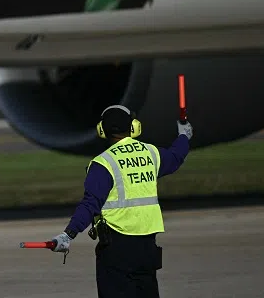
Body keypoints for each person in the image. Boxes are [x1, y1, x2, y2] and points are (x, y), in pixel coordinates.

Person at [48, 105, 192, 298]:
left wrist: (69, 235)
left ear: (102, 130)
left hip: (117, 248)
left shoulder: (104, 163)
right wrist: (184, 136)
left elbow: (90, 204)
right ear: (133, 127)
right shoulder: (150, 153)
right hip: (147, 247)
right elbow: (175, 157)